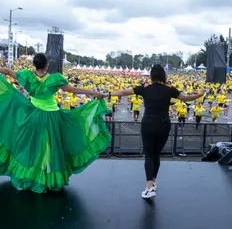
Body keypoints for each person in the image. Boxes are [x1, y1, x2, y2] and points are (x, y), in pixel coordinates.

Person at [0, 53, 111, 193]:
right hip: (52, 118)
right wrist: (94, 93)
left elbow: (9, 72)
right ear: (46, 65)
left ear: (34, 64)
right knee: (51, 148)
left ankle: (33, 177)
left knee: (33, 147)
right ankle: (49, 178)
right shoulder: (54, 79)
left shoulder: (27, 76)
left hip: (33, 117)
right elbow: (73, 89)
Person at [104, 64, 205, 199]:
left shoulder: (145, 88)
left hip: (149, 123)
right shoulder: (169, 89)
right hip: (164, 124)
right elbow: (186, 98)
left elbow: (123, 92)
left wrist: (107, 94)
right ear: (163, 75)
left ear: (151, 75)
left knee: (149, 155)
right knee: (156, 154)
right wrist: (200, 94)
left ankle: (149, 187)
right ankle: (154, 182)